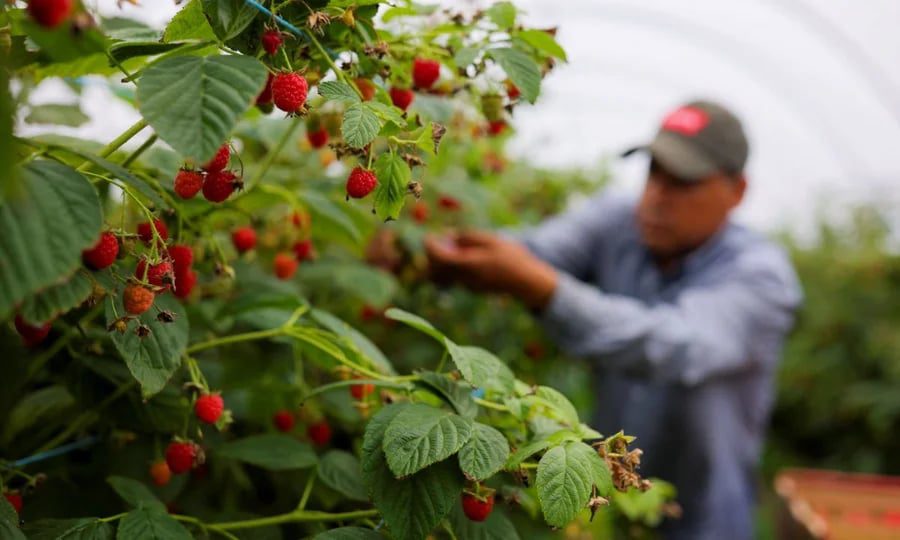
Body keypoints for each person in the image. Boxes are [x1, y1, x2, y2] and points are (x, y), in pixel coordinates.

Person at [424, 101, 802, 540]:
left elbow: (671, 344)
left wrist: (543, 289)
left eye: (683, 181)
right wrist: (430, 248)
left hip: (705, 523)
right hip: (606, 508)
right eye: (654, 173)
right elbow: (530, 252)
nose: (658, 194)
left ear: (737, 191)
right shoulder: (620, 222)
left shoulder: (761, 277)